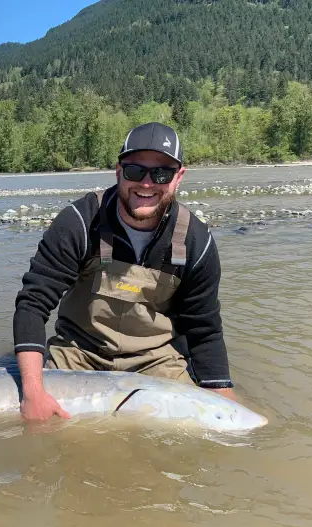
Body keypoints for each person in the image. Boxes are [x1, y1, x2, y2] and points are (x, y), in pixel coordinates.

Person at [12, 122, 238, 421]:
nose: (146, 184)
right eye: (135, 171)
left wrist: (224, 401)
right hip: (80, 353)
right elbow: (33, 303)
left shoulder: (196, 241)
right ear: (119, 172)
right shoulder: (79, 222)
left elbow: (204, 330)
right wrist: (33, 391)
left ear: (178, 178)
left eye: (161, 173)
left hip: (156, 360)